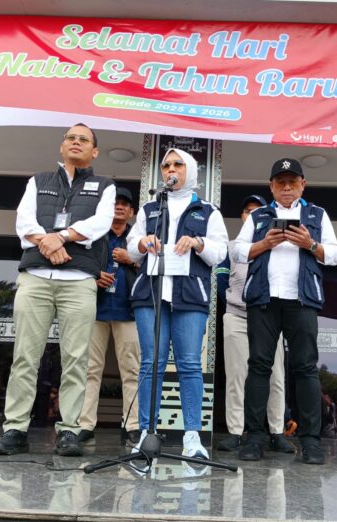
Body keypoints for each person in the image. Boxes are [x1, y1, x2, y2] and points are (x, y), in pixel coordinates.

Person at [0, 123, 115, 457]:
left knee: (76, 359)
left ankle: (70, 430)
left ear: (94, 151)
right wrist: (48, 242)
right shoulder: (38, 180)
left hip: (79, 281)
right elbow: (24, 221)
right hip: (36, 278)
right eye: (71, 138)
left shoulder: (105, 186)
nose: (76, 142)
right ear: (62, 146)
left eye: (83, 139)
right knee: (25, 357)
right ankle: (15, 429)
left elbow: (100, 224)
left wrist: (59, 237)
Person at [234, 158, 337, 464]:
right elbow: (237, 250)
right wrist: (263, 244)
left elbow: (334, 255)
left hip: (302, 300)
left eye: (292, 182)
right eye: (280, 182)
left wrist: (310, 244)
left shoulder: (317, 214)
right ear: (271, 186)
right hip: (263, 300)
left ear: (302, 185)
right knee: (259, 367)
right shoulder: (258, 216)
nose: (286, 187)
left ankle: (311, 442)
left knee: (305, 368)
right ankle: (255, 438)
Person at [127, 147, 228, 459]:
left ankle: (192, 437)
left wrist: (198, 242)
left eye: (178, 165)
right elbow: (131, 249)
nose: (171, 170)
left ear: (191, 171)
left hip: (190, 295)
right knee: (151, 363)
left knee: (189, 365)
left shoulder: (207, 211)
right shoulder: (149, 208)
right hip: (151, 294)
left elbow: (220, 252)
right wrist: (142, 242)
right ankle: (146, 434)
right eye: (166, 165)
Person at [216, 194, 294, 453]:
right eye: (247, 211)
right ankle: (236, 432)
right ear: (242, 217)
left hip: (270, 317)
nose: (252, 214)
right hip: (237, 316)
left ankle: (276, 432)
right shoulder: (231, 247)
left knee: (276, 376)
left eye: (257, 210)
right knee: (236, 376)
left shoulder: (278, 244)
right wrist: (235, 300)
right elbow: (221, 280)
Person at [78, 187, 141, 445]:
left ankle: (132, 425)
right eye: (116, 203)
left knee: (132, 371)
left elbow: (154, 268)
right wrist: (93, 278)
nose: (119, 207)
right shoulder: (94, 236)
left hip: (129, 310)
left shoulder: (138, 237)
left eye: (125, 204)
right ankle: (85, 425)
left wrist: (131, 259)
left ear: (132, 212)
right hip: (95, 308)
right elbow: (78, 264)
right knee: (89, 369)